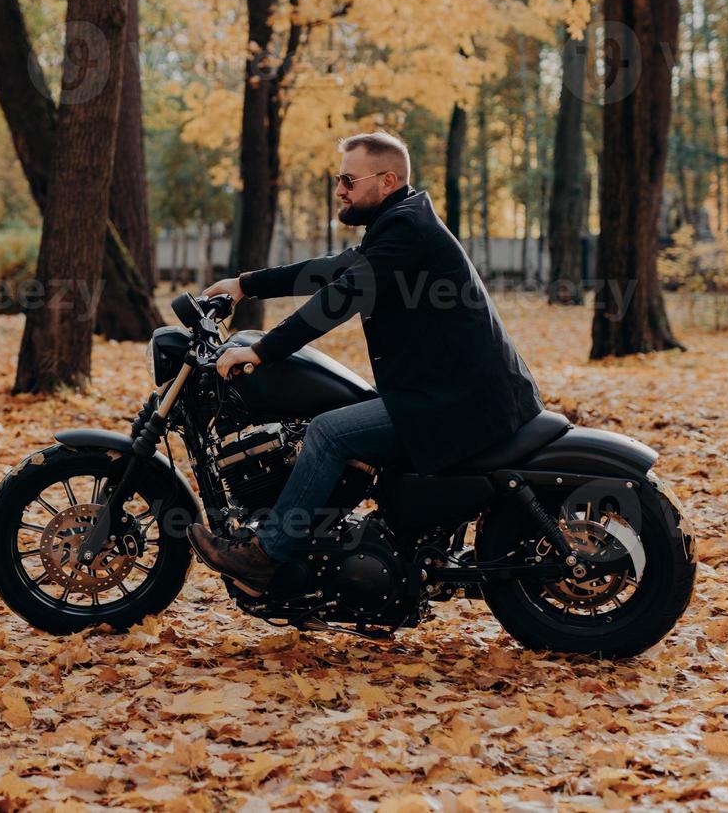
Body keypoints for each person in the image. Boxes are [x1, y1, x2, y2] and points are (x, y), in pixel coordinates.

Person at [187, 131, 544, 596]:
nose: (340, 190)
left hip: (459, 401)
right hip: (448, 390)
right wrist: (246, 284)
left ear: (388, 180)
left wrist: (262, 350)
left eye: (348, 180)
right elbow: (334, 269)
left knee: (329, 431)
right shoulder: (400, 224)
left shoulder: (408, 231)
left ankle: (266, 555)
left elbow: (342, 296)